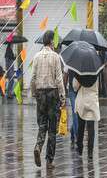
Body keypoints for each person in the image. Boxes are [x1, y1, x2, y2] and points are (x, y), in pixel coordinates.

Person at [30, 30, 66, 169]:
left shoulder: (37, 56)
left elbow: (33, 78)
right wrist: (62, 97)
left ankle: (38, 146)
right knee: (52, 128)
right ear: (51, 41)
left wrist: (34, 93)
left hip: (40, 94)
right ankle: (49, 160)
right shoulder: (55, 57)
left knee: (42, 125)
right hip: (52, 94)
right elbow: (59, 79)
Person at [74, 74, 100, 160]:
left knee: (81, 127)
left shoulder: (79, 74)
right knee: (91, 128)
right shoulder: (96, 74)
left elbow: (75, 87)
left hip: (81, 101)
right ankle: (90, 152)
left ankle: (80, 148)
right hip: (92, 101)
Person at [64, 69, 78, 149]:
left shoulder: (82, 61)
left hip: (81, 91)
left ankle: (73, 132)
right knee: (75, 112)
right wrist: (64, 91)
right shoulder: (69, 62)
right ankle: (77, 137)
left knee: (79, 114)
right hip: (72, 91)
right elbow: (65, 76)